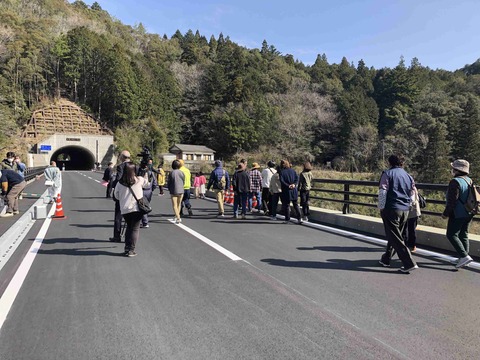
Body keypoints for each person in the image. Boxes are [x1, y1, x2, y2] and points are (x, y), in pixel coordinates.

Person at [378, 154, 418, 273]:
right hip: (405, 209)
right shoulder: (408, 176)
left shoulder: (387, 174)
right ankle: (386, 258)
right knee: (396, 235)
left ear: (390, 163)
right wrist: (409, 206)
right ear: (402, 163)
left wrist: (381, 206)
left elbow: (383, 190)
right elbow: (412, 193)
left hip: (391, 208)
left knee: (394, 236)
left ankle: (408, 262)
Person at [441, 159, 474, 268]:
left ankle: (464, 256)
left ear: (456, 169)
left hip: (458, 213)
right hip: (469, 212)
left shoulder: (455, 182)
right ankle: (463, 257)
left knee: (451, 234)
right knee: (463, 234)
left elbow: (452, 201)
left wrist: (446, 213)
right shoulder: (469, 180)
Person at [113, 162, 150, 257]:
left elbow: (116, 196)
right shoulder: (139, 180)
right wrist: (145, 173)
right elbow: (147, 184)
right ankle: (131, 250)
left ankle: (126, 248)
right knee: (135, 229)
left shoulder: (119, 183)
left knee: (129, 227)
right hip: (137, 208)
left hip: (125, 210)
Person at [110, 150, 132, 242]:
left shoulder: (121, 166)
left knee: (118, 216)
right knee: (130, 217)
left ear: (122, 157)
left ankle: (117, 236)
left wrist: (113, 186)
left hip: (122, 194)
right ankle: (129, 237)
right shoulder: (135, 166)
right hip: (132, 194)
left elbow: (118, 179)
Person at [279, 160, 302, 224]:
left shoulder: (282, 172)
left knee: (287, 205)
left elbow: (282, 181)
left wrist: (288, 185)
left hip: (286, 190)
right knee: (296, 204)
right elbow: (297, 179)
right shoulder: (293, 171)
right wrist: (294, 184)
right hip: (294, 190)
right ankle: (299, 218)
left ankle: (287, 219)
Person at [138, 160, 157, 228]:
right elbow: (155, 183)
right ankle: (144, 221)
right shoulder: (151, 173)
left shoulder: (139, 172)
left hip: (141, 190)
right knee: (146, 205)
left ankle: (144, 222)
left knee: (141, 206)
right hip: (149, 191)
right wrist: (152, 189)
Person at [402, 187, 421, 252]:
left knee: (410, 229)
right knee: (409, 229)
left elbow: (412, 200)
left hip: (412, 211)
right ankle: (407, 245)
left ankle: (411, 245)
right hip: (409, 211)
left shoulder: (411, 188)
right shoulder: (411, 187)